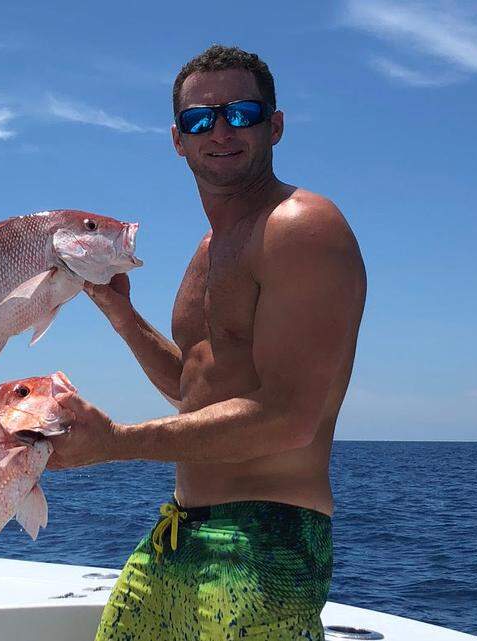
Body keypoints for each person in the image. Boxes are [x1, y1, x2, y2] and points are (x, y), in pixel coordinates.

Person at [48, 45, 367, 640]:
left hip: (267, 537)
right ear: (178, 139)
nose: (220, 130)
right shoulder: (208, 249)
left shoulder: (300, 226)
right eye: (200, 119)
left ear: (274, 125)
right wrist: (121, 315)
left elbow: (288, 418)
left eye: (240, 113)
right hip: (180, 529)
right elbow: (194, 388)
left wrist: (115, 442)